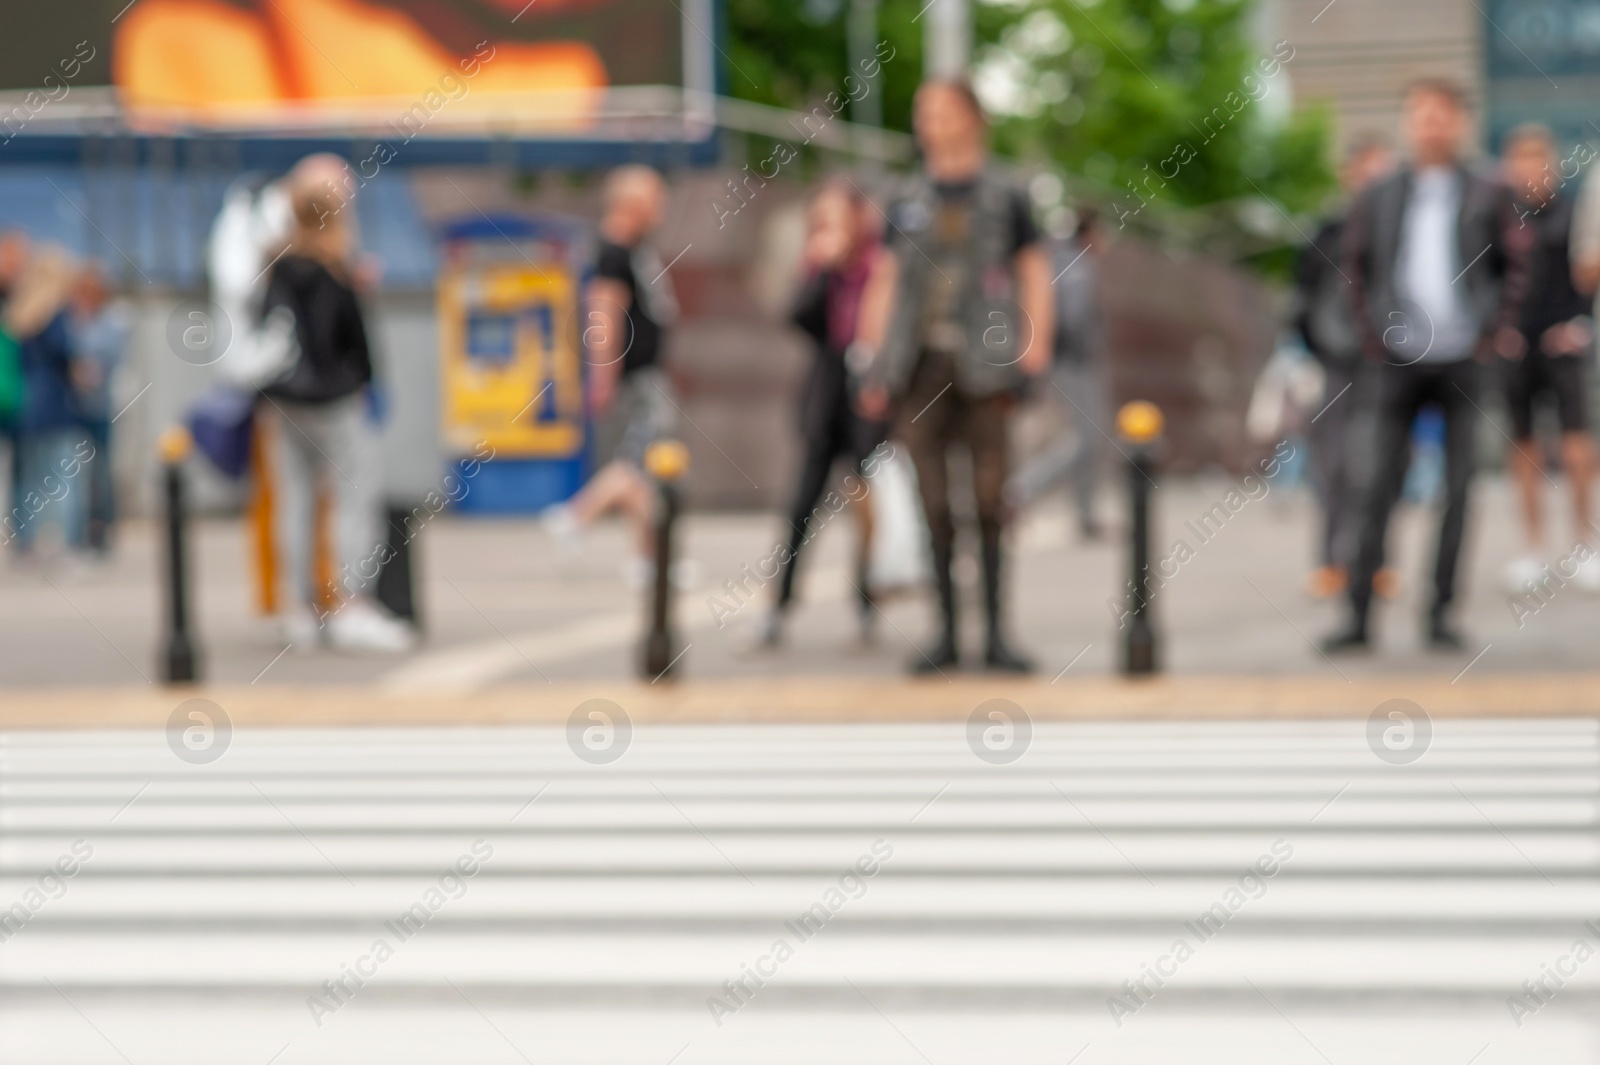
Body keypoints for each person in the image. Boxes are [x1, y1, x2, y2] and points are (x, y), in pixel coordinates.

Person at [856, 78, 1054, 673]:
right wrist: (869, 358)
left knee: (992, 496)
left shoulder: (1008, 193)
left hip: (988, 365)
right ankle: (945, 634)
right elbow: (886, 278)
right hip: (919, 367)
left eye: (940, 110)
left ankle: (996, 633)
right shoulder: (906, 194)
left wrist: (1034, 347)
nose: (929, 121)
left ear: (972, 117)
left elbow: (1034, 271)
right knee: (932, 499)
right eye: (923, 111)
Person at [1324, 80, 1529, 653]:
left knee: (1459, 490)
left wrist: (1495, 327)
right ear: (1408, 123)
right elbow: (1355, 267)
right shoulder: (1380, 192)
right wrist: (1372, 333)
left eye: (1443, 115)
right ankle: (1358, 615)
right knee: (1374, 485)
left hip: (1465, 358)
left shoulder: (1489, 189)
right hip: (1394, 360)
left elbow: (1516, 264)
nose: (1432, 125)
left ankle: (1440, 614)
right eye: (1421, 115)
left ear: (1459, 122)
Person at [258, 156, 415, 652]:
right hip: (336, 400)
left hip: (283, 401)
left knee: (294, 501)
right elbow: (356, 343)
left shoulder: (276, 267)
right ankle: (351, 604)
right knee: (354, 497)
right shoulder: (338, 272)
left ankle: (298, 609)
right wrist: (370, 385)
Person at [761, 179, 885, 647]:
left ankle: (867, 603)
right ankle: (779, 606)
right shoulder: (823, 271)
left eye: (838, 218)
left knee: (869, 507)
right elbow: (800, 320)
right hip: (827, 393)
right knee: (802, 507)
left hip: (868, 395)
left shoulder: (879, 264)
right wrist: (821, 269)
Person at [541, 165, 680, 583]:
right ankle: (575, 516)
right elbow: (603, 316)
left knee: (647, 464)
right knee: (643, 461)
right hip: (634, 379)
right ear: (631, 204)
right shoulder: (613, 253)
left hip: (644, 376)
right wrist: (602, 375)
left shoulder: (633, 250)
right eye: (654, 201)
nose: (661, 211)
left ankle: (647, 556)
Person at [1494, 125, 1600, 592]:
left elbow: (1585, 271)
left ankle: (1585, 543)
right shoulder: (1500, 219)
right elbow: (1488, 279)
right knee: (1523, 446)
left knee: (1578, 443)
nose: (1529, 170)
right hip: (1516, 345)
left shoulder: (1574, 212)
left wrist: (1578, 325)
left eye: (1537, 160)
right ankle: (1532, 548)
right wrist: (1499, 331)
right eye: (1520, 160)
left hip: (1564, 342)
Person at [1295, 136, 1394, 599]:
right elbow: (1302, 299)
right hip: (1336, 364)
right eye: (1366, 169)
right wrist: (1317, 350)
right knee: (1333, 463)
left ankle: (1378, 562)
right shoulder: (1327, 232)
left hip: (1390, 366)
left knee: (1385, 465)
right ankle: (1334, 560)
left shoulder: (1401, 231)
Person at [1005, 207, 1108, 540]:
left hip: (1064, 361)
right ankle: (1021, 490)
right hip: (1072, 363)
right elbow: (1071, 318)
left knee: (1086, 439)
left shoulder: (1061, 259)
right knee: (1087, 439)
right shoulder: (1076, 265)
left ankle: (1083, 513)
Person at [4, 246, 90, 559]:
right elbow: (66, 356)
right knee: (65, 478)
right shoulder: (56, 313)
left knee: (26, 479)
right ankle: (67, 545)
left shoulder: (20, 313)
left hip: (23, 406)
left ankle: (25, 544)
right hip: (56, 406)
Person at [67, 262, 132, 555]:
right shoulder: (70, 321)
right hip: (73, 409)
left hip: (103, 408)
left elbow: (114, 360)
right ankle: (79, 534)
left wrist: (89, 368)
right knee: (75, 476)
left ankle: (102, 531)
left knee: (101, 473)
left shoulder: (113, 324)